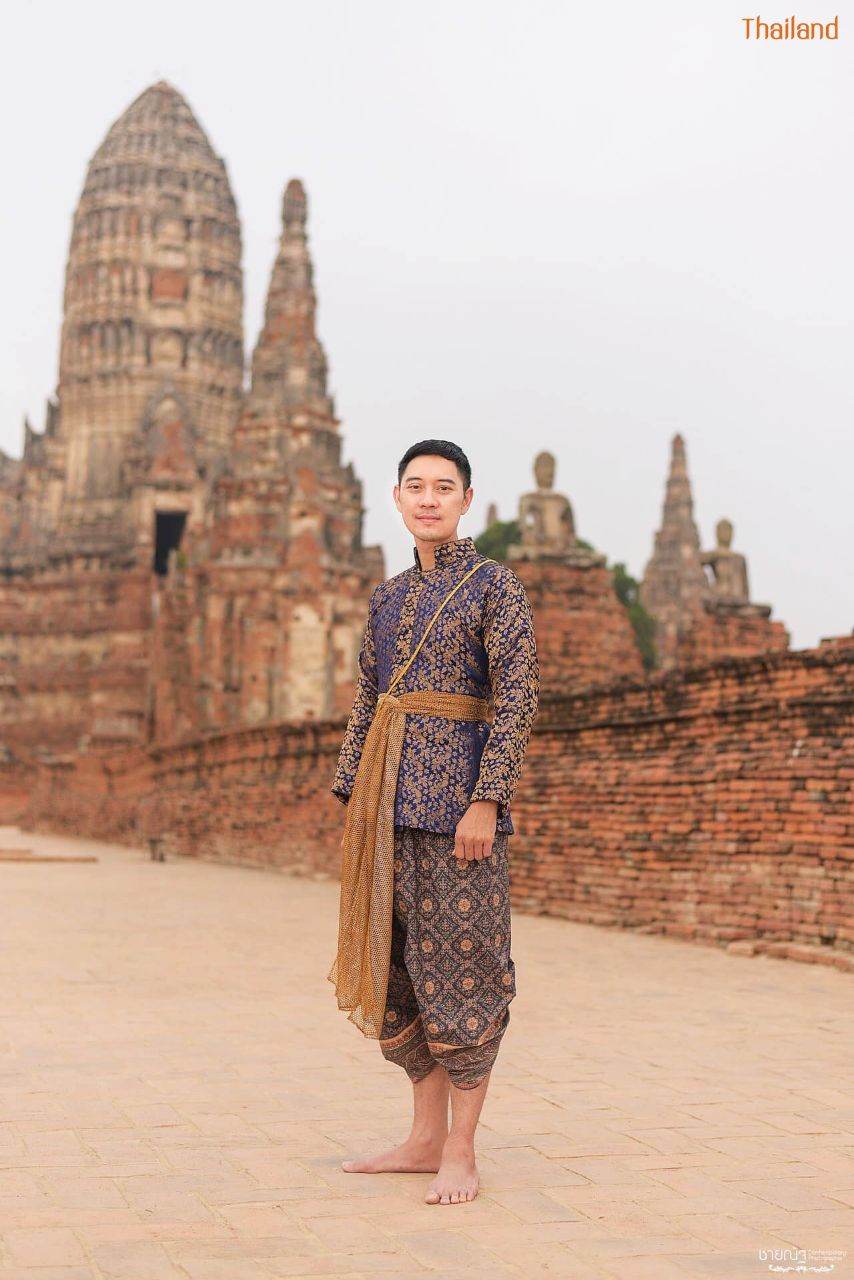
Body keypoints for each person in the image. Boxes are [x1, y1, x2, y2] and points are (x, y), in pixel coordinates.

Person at [329, 439, 539, 1206]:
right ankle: (420, 1139)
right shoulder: (386, 600)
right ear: (396, 498)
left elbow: (517, 701)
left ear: (466, 499)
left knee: (466, 973)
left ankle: (461, 1147)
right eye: (415, 487)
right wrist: (351, 792)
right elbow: (366, 700)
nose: (428, 499)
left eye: (442, 487)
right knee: (400, 977)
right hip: (387, 808)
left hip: (458, 812)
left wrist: (487, 799)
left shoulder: (495, 589)